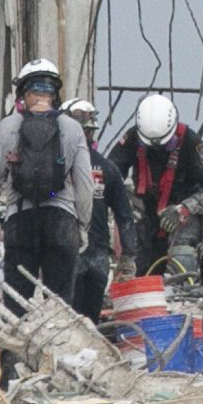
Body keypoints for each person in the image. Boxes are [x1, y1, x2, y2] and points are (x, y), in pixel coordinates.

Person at [0, 59, 95, 309]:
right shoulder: (73, 128)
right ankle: (60, 347)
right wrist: (83, 225)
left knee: (16, 303)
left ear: (23, 93)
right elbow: (85, 185)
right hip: (60, 218)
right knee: (60, 305)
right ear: (54, 93)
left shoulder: (8, 127)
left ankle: (14, 349)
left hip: (20, 221)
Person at [116, 95, 203, 277]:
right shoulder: (132, 138)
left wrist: (185, 208)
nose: (157, 150)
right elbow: (111, 173)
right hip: (150, 215)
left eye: (164, 145)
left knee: (181, 253)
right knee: (133, 261)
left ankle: (183, 292)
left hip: (187, 215)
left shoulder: (191, 142)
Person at [64, 97, 128, 319]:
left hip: (69, 254)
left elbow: (45, 198)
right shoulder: (107, 168)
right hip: (97, 256)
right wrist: (127, 256)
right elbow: (124, 215)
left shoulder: (59, 167)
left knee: (69, 318)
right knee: (90, 319)